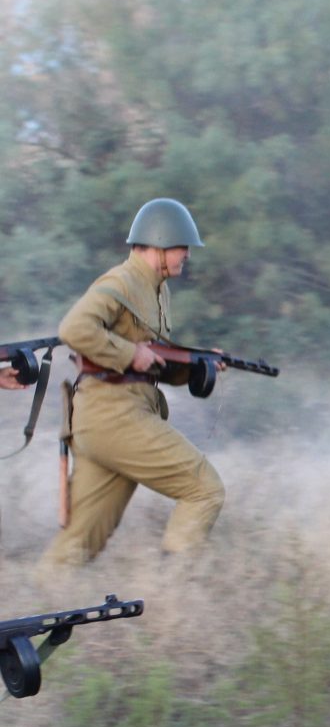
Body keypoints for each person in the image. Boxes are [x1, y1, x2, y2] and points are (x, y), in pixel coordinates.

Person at [40, 198, 224, 568]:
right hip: (116, 415)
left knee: (77, 546)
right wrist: (128, 354)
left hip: (106, 421)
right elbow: (74, 329)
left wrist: (196, 365)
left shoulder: (157, 290)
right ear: (158, 244)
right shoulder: (121, 281)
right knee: (205, 490)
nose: (187, 254)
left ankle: (40, 604)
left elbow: (151, 363)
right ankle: (173, 591)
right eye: (181, 246)